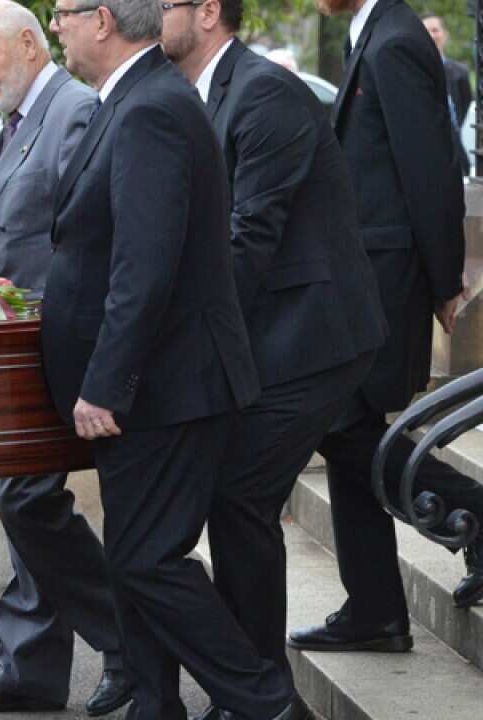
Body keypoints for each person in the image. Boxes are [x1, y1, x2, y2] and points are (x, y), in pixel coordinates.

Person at [44, 0, 301, 717]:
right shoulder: (131, 96)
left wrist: (106, 384)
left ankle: (262, 698)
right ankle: (155, 704)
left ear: (103, 19)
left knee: (144, 560)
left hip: (163, 387)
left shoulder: (151, 106)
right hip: (150, 388)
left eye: (61, 11)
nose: (54, 24)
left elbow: (144, 265)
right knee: (134, 563)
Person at [159, 1, 388, 716]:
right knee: (355, 463)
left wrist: (181, 334)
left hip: (312, 336)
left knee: (237, 495)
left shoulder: (265, 90)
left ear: (204, 12)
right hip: (272, 334)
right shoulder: (203, 93)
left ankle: (256, 694)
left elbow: (251, 235)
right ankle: (271, 675)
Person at [0, 2, 132, 716]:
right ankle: (30, 666)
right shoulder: (24, 117)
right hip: (13, 345)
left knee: (27, 500)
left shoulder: (75, 109)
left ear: (29, 44)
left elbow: (83, 238)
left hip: (57, 342)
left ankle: (128, 636)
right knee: (17, 498)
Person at [288, 0, 483, 655]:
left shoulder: (395, 40)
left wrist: (444, 281)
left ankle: (473, 515)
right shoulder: (371, 32)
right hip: (367, 275)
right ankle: (374, 609)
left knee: (347, 427)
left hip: (387, 280)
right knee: (350, 431)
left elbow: (430, 171)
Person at [422, 14, 471, 175]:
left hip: (455, 151)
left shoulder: (460, 73)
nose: (431, 35)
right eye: (426, 31)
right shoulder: (412, 72)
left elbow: (464, 106)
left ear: (444, 34)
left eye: (435, 30)